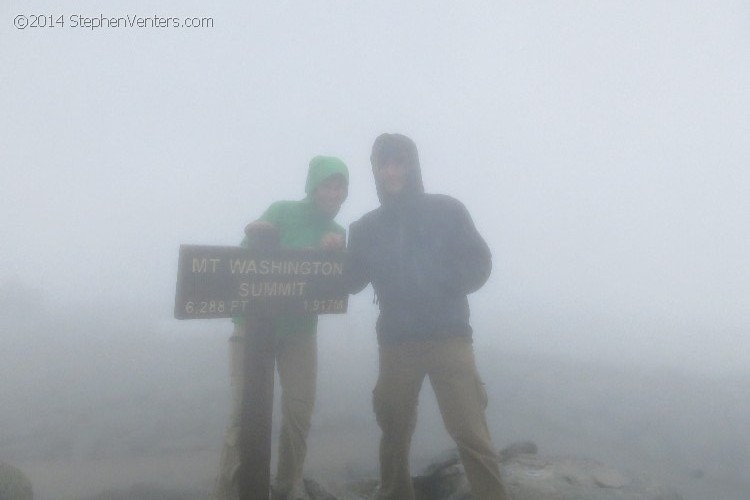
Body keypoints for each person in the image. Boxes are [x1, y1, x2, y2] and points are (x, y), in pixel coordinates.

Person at [346, 134, 509, 500]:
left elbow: (479, 262)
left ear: (412, 165)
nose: (391, 171)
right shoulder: (366, 228)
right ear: (374, 168)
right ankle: (394, 494)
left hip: (448, 337)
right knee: (394, 430)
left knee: (469, 429)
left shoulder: (447, 210)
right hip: (396, 343)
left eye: (398, 162)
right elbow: (351, 281)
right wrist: (328, 251)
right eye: (383, 163)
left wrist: (439, 283)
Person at [214, 156, 349, 500]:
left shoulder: (336, 233)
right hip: (252, 328)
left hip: (300, 332)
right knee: (242, 418)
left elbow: (330, 287)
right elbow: (245, 258)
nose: (333, 193)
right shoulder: (281, 210)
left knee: (299, 414)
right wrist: (305, 254)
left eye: (340, 187)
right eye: (327, 185)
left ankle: (287, 488)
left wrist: (332, 256)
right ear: (312, 186)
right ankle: (230, 493)